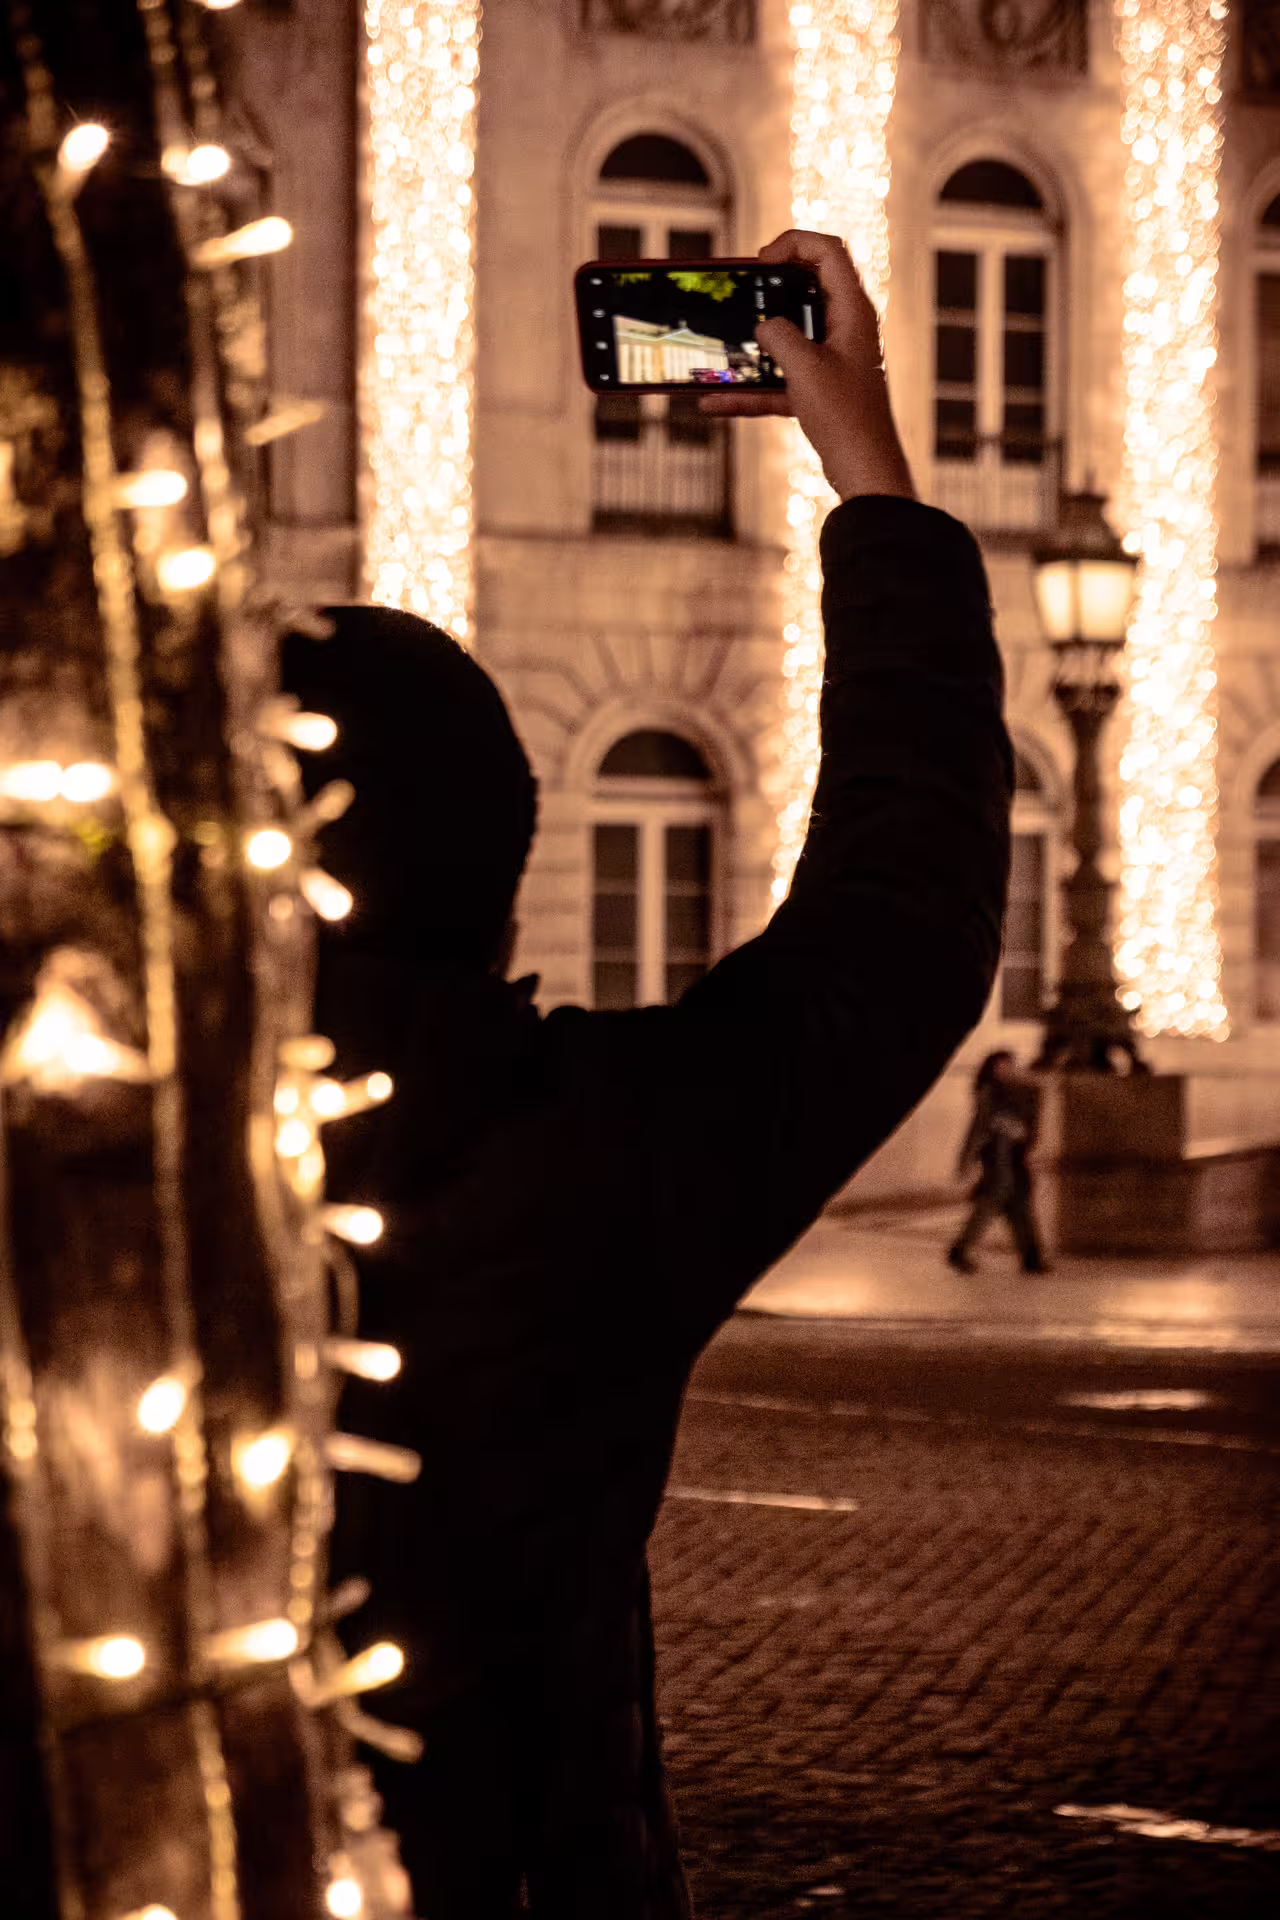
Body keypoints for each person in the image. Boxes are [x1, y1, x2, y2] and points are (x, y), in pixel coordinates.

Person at [283, 230, 1012, 1918]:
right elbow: (895, 931)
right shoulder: (573, 1161)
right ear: (503, 876)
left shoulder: (75, 1162)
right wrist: (870, 476)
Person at [947, 1050, 1050, 1274]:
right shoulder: (989, 1094)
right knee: (996, 1200)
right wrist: (965, 1160)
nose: (1008, 1069)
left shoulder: (1024, 1091)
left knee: (1017, 1204)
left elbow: (1030, 1125)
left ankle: (1030, 1257)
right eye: (1002, 1065)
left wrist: (1022, 1134)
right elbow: (977, 1129)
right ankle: (962, 1250)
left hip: (1015, 1157)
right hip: (997, 1156)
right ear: (992, 1069)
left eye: (1010, 1064)